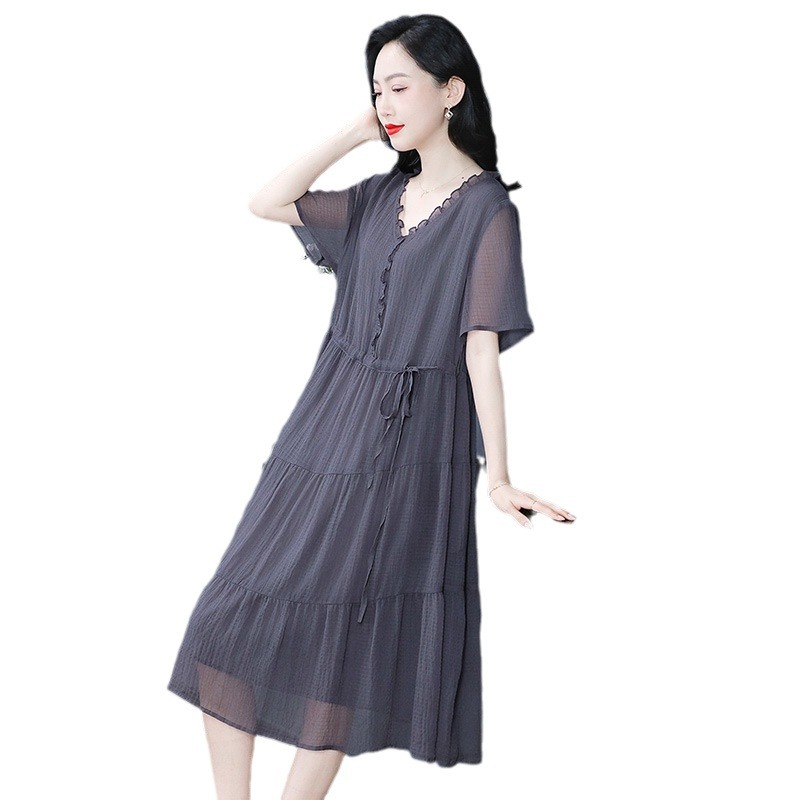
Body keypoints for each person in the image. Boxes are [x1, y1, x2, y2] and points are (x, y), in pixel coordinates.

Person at [167, 13, 575, 800]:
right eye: (376, 89)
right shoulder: (377, 195)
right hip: (323, 432)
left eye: (400, 87)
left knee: (342, 646)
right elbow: (267, 201)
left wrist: (498, 475)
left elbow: (479, 349)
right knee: (225, 624)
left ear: (451, 91)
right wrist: (357, 133)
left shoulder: (488, 211)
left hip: (411, 451)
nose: (386, 103)